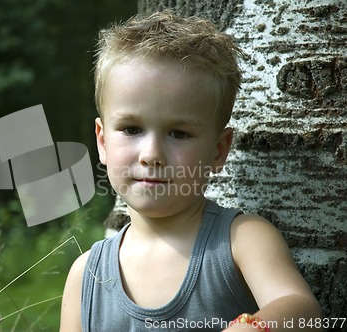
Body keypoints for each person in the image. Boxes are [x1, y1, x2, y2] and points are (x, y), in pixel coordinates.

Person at [60, 10, 322, 332]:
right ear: (102, 141)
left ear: (218, 150)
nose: (151, 155)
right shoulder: (87, 275)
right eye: (131, 129)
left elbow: (303, 311)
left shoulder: (241, 240)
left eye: (179, 134)